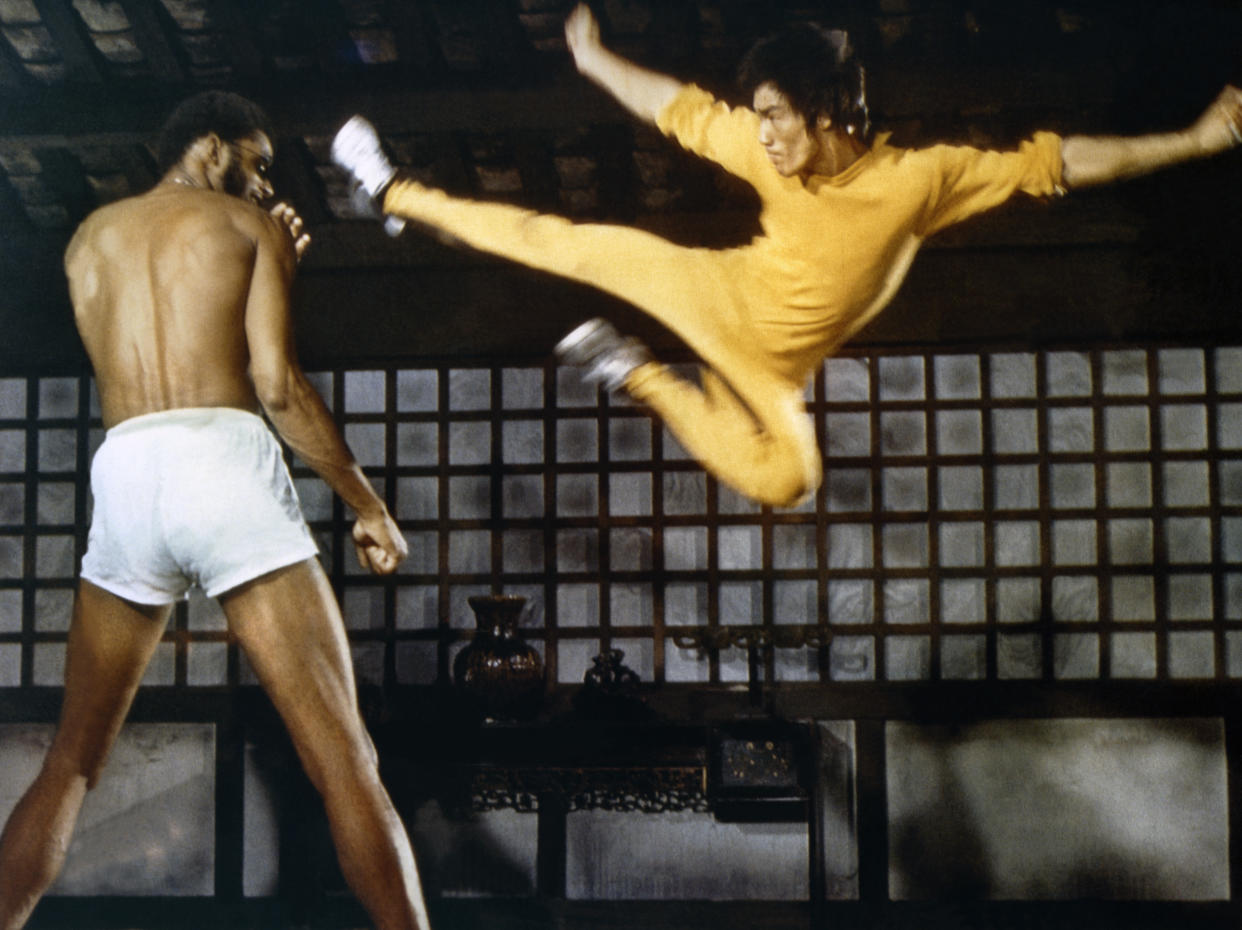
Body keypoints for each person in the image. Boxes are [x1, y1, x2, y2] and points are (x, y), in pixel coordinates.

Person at [332, 3, 1242, 508]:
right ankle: (389, 191)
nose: (762, 135)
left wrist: (1194, 142)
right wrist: (595, 59)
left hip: (776, 370)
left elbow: (1062, 163)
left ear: (829, 114)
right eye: (759, 114)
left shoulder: (923, 178)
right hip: (715, 294)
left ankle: (635, 372)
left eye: (776, 115)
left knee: (790, 479)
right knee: (559, 241)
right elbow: (680, 112)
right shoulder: (764, 154)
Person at [0, 92, 431, 930]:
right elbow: (277, 387)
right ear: (208, 147)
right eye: (256, 161)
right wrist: (367, 504)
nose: (263, 182)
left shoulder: (88, 239)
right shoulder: (250, 228)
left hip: (126, 469)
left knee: (73, 762)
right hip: (219, 459)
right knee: (346, 759)